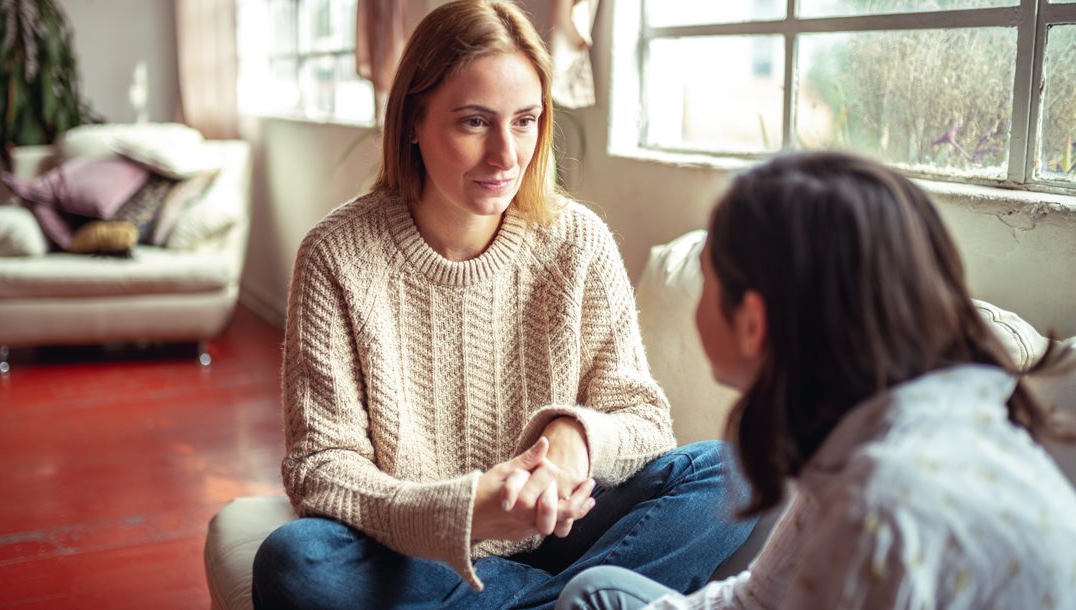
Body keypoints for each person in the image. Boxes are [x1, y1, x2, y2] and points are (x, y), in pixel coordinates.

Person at [250, 1, 757, 608]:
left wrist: (575, 439)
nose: (507, 155)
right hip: (421, 549)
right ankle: (570, 600)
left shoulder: (578, 240)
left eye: (525, 121)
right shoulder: (337, 255)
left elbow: (643, 419)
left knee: (735, 469)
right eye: (473, 122)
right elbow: (322, 468)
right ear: (413, 120)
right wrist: (467, 515)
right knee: (294, 562)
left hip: (566, 528)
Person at [557, 151, 1076, 610]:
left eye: (709, 277)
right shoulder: (866, 428)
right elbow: (759, 596)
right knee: (595, 590)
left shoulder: (881, 506)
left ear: (754, 322)